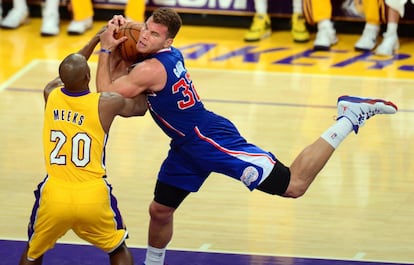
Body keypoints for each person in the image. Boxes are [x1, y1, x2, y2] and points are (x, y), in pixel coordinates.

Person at [96, 7, 398, 265]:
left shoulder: (149, 69)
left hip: (209, 140)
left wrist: (107, 48)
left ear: (169, 41)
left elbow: (103, 94)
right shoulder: (166, 55)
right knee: (160, 210)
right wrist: (123, 31)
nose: (146, 36)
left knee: (293, 185)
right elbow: (131, 97)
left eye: (154, 34)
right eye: (145, 29)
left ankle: (348, 116)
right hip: (187, 146)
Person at [18, 28, 148, 264]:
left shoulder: (51, 93)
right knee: (118, 249)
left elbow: (69, 68)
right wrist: (138, 64)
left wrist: (94, 40)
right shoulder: (106, 103)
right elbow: (140, 107)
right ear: (88, 78)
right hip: (93, 194)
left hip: (55, 193)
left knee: (33, 251)